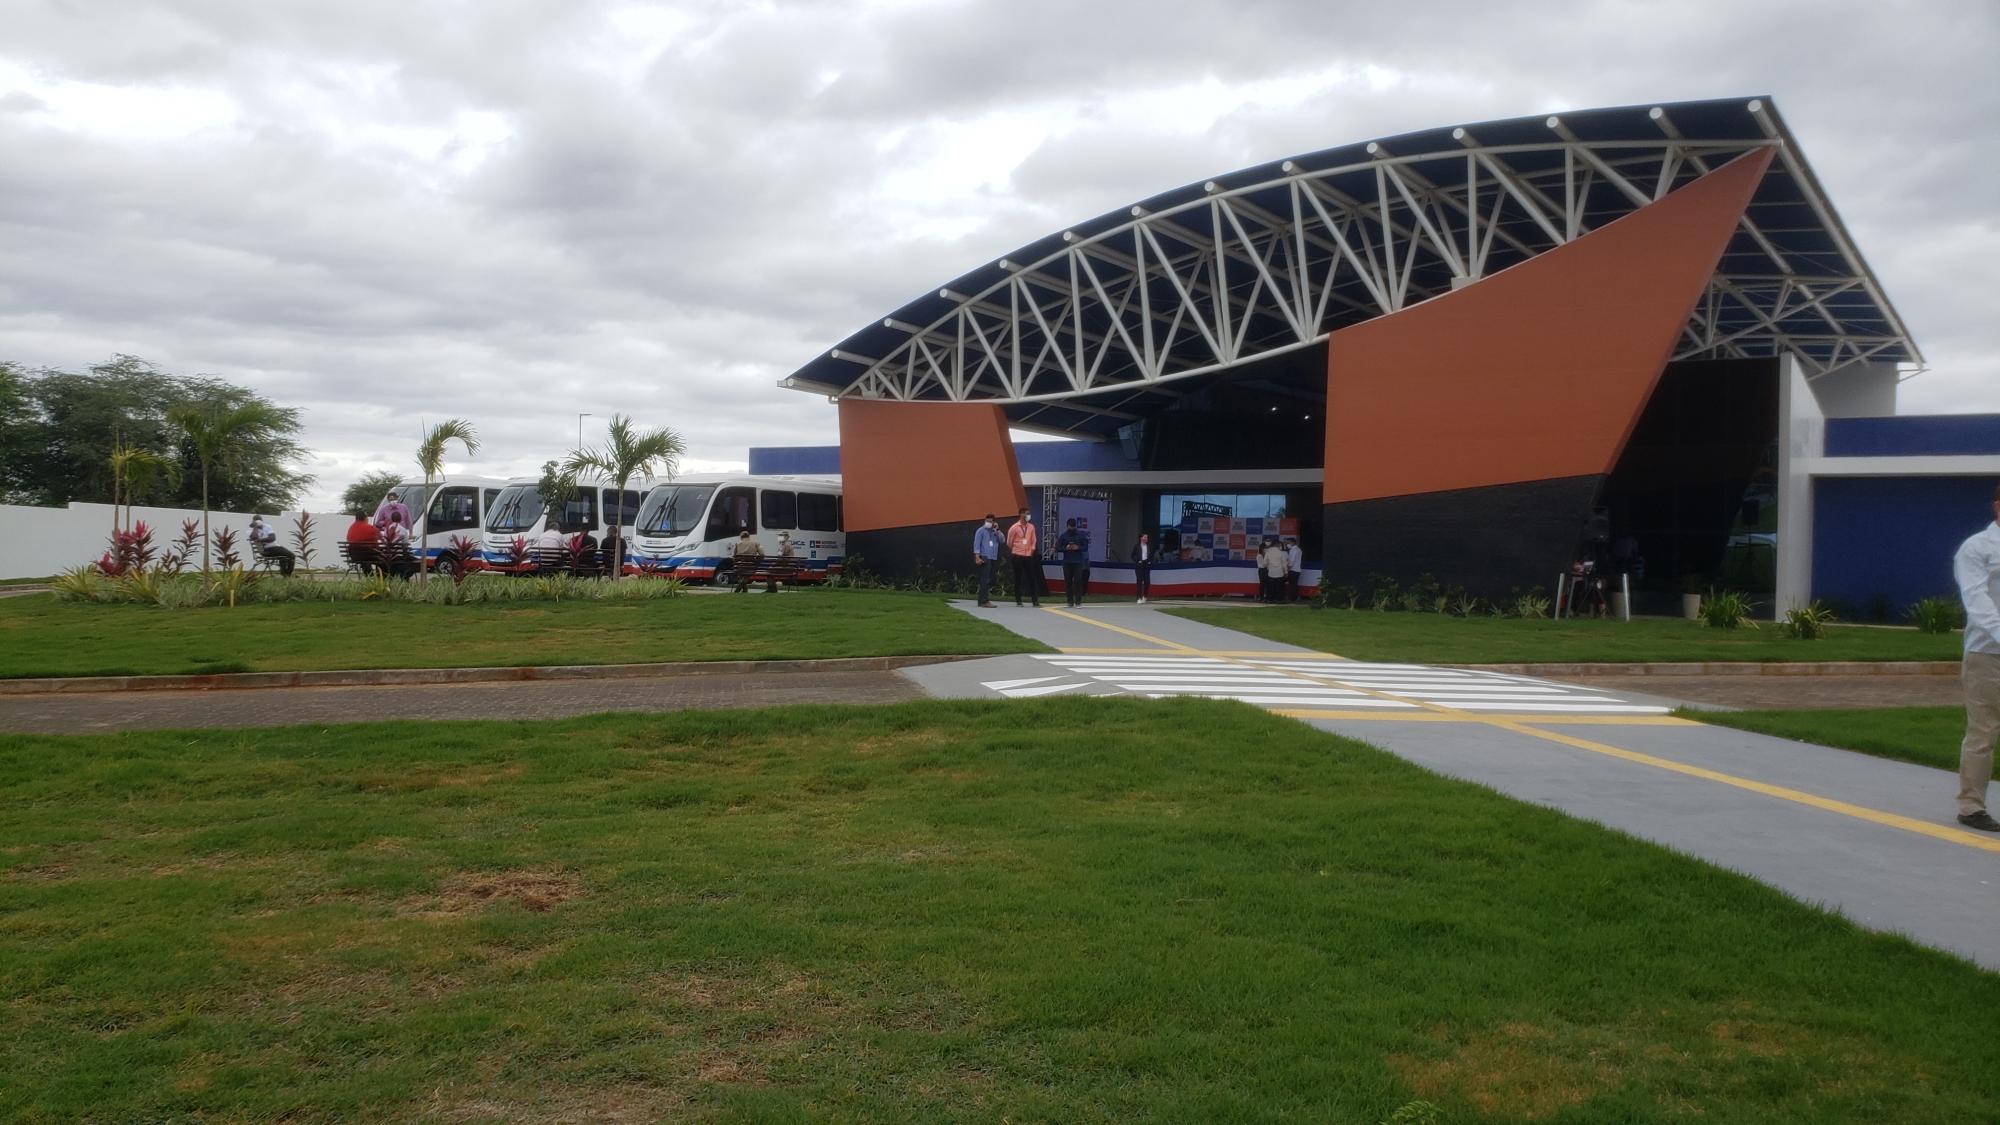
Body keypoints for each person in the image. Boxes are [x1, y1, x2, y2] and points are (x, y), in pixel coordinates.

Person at [1953, 483, 2000, 832]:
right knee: (1983, 731)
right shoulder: (1976, 548)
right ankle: (1971, 807)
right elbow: (1977, 601)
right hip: (1988, 655)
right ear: (1998, 507)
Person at [1006, 506, 1040, 607]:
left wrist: (1032, 548)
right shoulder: (1014, 527)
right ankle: (1018, 600)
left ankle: (1035, 601)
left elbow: (1034, 539)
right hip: (1017, 555)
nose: (1028, 516)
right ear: (1021, 514)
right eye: (1026, 513)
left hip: (1028, 555)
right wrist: (1016, 549)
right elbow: (1009, 542)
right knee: (1018, 578)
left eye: (1029, 514)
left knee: (1032, 578)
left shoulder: (1031, 527)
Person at [1054, 518, 1090, 608]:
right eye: (1070, 527)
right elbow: (1058, 547)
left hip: (1078, 562)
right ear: (1067, 526)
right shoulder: (1063, 536)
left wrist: (1077, 547)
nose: (1071, 529)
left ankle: (1078, 601)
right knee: (1068, 582)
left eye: (1073, 527)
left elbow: (1085, 547)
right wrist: (1066, 548)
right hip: (1067, 562)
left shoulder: (1081, 535)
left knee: (1078, 581)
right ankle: (1070, 601)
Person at [972, 514, 1002, 608]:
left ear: (994, 522)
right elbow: (976, 544)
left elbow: (1002, 540)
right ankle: (984, 601)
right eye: (987, 521)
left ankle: (982, 600)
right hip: (984, 557)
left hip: (993, 557)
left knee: (988, 579)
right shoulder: (980, 530)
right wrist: (977, 557)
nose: (988, 523)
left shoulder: (994, 531)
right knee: (984, 580)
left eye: (990, 521)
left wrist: (997, 530)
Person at [1260, 536, 1289, 603]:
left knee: (1270, 588)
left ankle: (1270, 599)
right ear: (1278, 545)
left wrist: (1268, 566)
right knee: (1279, 588)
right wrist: (1286, 572)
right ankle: (1278, 599)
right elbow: (1284, 564)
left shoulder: (1268, 552)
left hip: (1271, 573)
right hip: (1280, 573)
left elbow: (1264, 563)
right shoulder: (1281, 553)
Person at [1130, 533, 1155, 604]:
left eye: (1147, 537)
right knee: (1139, 581)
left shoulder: (1149, 546)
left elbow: (1152, 555)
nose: (1146, 539)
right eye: (1145, 537)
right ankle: (1138, 598)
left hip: (1146, 565)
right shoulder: (1136, 546)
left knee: (1147, 582)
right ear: (1141, 538)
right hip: (1139, 565)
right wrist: (1137, 560)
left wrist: (1150, 561)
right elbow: (1132, 555)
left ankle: (1145, 596)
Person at [1284, 537, 1303, 603]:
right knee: (1294, 585)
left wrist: (1286, 571)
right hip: (1297, 570)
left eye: (1288, 543)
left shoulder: (1293, 550)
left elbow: (1291, 562)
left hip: (1293, 570)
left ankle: (1292, 599)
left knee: (1292, 585)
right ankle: (1295, 598)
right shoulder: (1298, 549)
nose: (1287, 544)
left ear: (1292, 542)